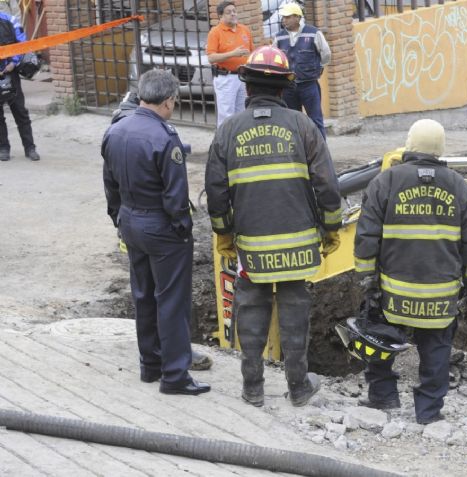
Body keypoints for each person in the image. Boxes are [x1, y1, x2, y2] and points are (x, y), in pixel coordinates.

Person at [205, 45, 342, 408]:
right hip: (299, 244)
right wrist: (331, 228)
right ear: (284, 89)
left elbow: (216, 192)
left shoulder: (228, 131)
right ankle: (298, 387)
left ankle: (252, 388)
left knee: (251, 308)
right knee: (295, 310)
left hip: (252, 245)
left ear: (246, 88)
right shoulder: (304, 126)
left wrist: (224, 234)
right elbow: (327, 185)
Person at [353, 119, 467, 425]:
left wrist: (368, 281)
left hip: (393, 294)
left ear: (410, 145)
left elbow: (366, 237)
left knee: (377, 336)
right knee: (437, 351)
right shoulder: (458, 186)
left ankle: (383, 394)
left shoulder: (385, 182)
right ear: (441, 149)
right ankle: (428, 411)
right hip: (440, 297)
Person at [102, 69, 210, 396]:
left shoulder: (115, 131)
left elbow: (110, 185)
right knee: (172, 301)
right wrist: (183, 229)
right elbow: (175, 197)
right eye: (174, 102)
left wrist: (118, 218)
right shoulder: (165, 137)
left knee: (143, 295)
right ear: (167, 102)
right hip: (161, 227)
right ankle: (175, 375)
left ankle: (150, 365)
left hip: (130, 221)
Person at [275, 3, 330, 138]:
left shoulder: (314, 33)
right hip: (288, 86)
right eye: (283, 17)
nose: (284, 20)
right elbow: (276, 58)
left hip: (309, 84)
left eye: (288, 17)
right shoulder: (279, 37)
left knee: (315, 119)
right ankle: (297, 151)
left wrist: (319, 67)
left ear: (297, 18)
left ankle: (320, 151)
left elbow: (326, 54)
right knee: (292, 121)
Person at [206, 0, 254, 127]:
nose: (233, 14)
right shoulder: (215, 32)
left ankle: (240, 141)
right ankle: (224, 144)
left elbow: (251, 52)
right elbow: (211, 58)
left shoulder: (244, 30)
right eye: (228, 12)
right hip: (226, 78)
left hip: (243, 77)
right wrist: (232, 54)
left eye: (234, 11)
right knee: (226, 115)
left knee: (242, 112)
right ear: (220, 16)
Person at [0, 11, 38, 162]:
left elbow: (22, 43)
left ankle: (30, 148)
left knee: (20, 112)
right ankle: (3, 148)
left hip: (11, 72)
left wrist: (13, 63)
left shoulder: (10, 20)